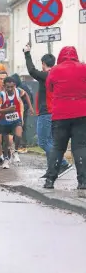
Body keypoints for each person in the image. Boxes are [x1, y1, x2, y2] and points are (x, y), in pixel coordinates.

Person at [23, 44, 72, 175]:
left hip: (46, 112)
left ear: (43, 63)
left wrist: (27, 53)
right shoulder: (58, 74)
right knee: (51, 141)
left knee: (43, 142)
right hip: (56, 112)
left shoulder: (47, 75)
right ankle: (52, 170)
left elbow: (32, 71)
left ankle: (62, 163)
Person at [43, 46, 86, 190]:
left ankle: (50, 180)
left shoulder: (55, 70)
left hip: (60, 115)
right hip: (81, 113)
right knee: (80, 147)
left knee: (58, 147)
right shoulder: (83, 68)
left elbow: (49, 87)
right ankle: (83, 182)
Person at [0, 77, 24, 169]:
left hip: (16, 119)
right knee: (6, 142)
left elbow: (25, 94)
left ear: (14, 86)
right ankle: (6, 159)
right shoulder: (1, 95)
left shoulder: (18, 91)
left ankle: (15, 151)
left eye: (12, 87)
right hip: (5, 121)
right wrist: (8, 110)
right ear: (4, 87)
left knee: (19, 134)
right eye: (8, 87)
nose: (10, 89)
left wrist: (30, 107)